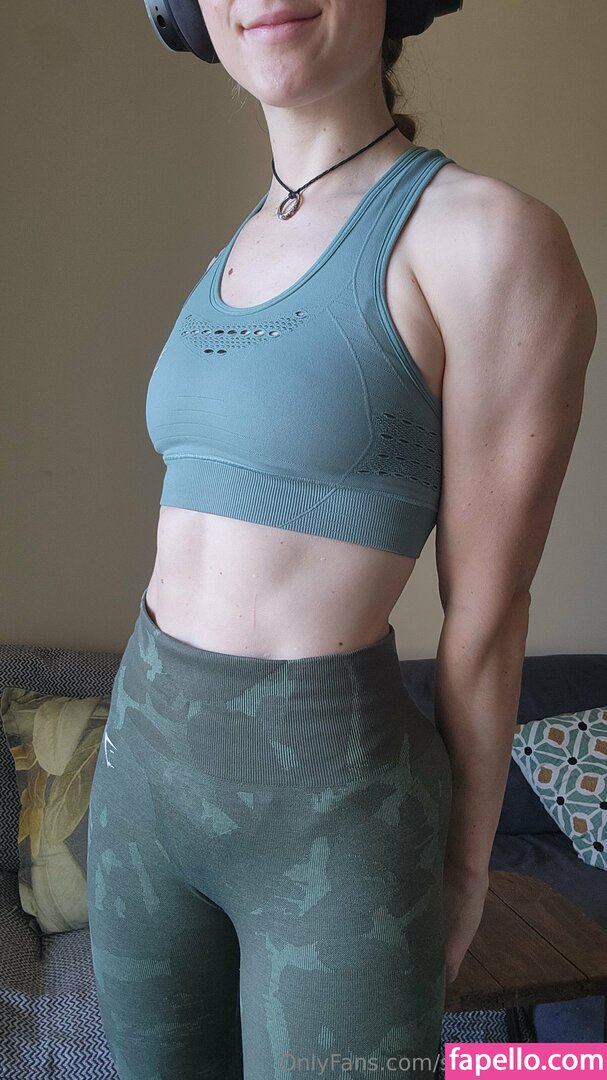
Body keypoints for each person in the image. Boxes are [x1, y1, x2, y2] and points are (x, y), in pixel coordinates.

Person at [86, 2, 597, 1078]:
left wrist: (463, 871)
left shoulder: (488, 238)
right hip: (139, 778)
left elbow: (488, 612)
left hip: (330, 818)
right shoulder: (240, 243)